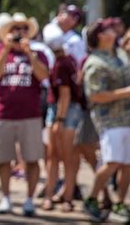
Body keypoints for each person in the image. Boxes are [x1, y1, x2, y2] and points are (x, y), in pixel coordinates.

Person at [0, 12, 49, 216]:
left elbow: (43, 76)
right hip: (4, 114)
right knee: (3, 159)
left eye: (23, 29)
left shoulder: (37, 53)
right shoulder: (0, 50)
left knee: (33, 159)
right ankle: (6, 198)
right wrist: (7, 48)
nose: (19, 33)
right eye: (15, 29)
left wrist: (30, 54)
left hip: (30, 115)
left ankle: (30, 200)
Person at [82, 20, 130, 223]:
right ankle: (92, 199)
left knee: (128, 164)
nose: (113, 32)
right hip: (110, 120)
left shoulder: (119, 56)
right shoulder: (95, 62)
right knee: (112, 162)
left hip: (128, 118)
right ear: (100, 36)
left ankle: (120, 202)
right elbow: (94, 95)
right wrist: (126, 93)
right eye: (108, 30)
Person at [42, 26, 82, 212]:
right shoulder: (69, 59)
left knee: (62, 157)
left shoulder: (60, 63)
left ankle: (65, 197)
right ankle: (59, 196)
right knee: (59, 157)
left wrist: (59, 119)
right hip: (64, 110)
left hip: (64, 111)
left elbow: (64, 95)